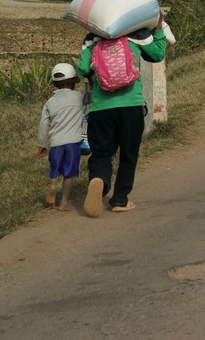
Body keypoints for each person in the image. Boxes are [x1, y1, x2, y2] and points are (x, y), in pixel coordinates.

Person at [78, 16, 168, 217]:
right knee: (129, 154)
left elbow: (83, 69)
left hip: (101, 108)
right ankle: (120, 199)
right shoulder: (136, 35)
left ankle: (100, 180)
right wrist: (159, 28)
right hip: (131, 106)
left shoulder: (92, 38)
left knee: (101, 153)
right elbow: (157, 54)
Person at [37, 63, 85, 211]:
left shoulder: (50, 103)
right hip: (73, 143)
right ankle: (64, 202)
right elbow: (91, 96)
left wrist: (42, 145)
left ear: (55, 83)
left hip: (56, 143)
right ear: (72, 82)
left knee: (55, 169)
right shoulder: (79, 97)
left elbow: (43, 124)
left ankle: (52, 185)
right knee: (68, 174)